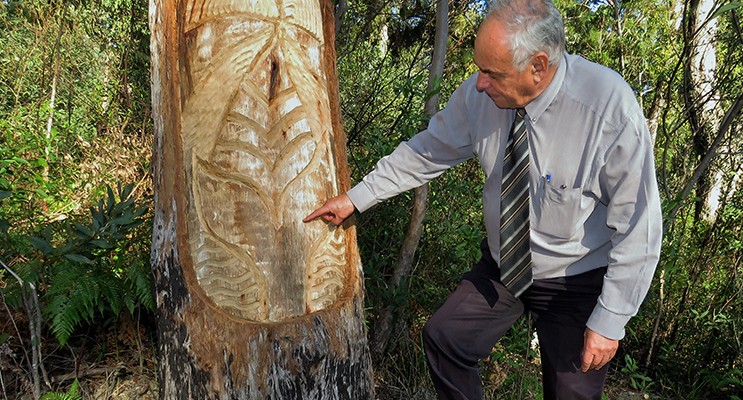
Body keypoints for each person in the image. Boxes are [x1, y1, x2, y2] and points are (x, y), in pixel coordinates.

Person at [304, 0, 663, 398]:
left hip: (576, 278)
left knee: (571, 393)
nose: (479, 83)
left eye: (492, 73)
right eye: (480, 69)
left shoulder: (607, 110)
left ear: (538, 67)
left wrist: (610, 321)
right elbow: (429, 150)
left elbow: (639, 227)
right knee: (445, 338)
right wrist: (356, 198)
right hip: (505, 265)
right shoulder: (483, 96)